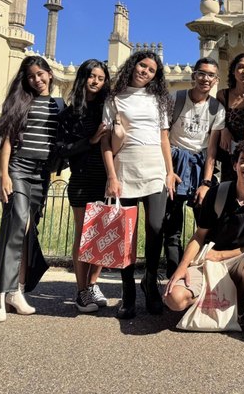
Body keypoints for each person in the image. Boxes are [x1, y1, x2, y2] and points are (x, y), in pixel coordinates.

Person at [164, 140, 244, 318]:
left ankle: (233, 295)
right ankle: (217, 298)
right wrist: (182, 266)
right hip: (208, 261)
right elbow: (199, 235)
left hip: (239, 264)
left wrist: (221, 255)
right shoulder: (217, 193)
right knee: (175, 300)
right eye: (243, 160)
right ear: (234, 165)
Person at [0, 56, 63, 322]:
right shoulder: (20, 102)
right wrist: (4, 175)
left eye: (41, 74)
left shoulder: (59, 105)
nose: (37, 80)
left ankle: (15, 292)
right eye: (31, 76)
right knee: (15, 224)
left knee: (27, 232)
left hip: (41, 174)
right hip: (18, 168)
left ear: (50, 75)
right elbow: (7, 140)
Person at [102, 50, 176, 319]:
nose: (145, 71)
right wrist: (111, 176)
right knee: (127, 235)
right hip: (126, 170)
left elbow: (164, 138)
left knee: (156, 228)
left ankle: (150, 283)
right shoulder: (114, 99)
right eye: (142, 66)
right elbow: (108, 142)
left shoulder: (158, 100)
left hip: (155, 168)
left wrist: (170, 172)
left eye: (151, 70)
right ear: (133, 65)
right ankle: (128, 293)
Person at [161, 57, 226, 279]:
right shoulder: (175, 99)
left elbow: (212, 150)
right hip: (175, 160)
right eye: (202, 73)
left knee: (206, 227)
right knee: (172, 227)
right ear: (193, 75)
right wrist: (169, 171)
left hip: (200, 165)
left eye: (210, 75)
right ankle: (172, 276)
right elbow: (164, 135)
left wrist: (206, 183)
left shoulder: (217, 108)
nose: (205, 79)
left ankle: (200, 275)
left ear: (216, 80)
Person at [57, 59, 111, 312]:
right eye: (91, 76)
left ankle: (92, 284)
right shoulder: (70, 113)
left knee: (100, 236)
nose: (95, 82)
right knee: (83, 236)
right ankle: (80, 291)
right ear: (83, 78)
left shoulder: (106, 110)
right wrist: (91, 140)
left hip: (105, 178)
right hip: (81, 178)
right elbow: (63, 149)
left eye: (100, 78)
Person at [217, 52, 244, 181]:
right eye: (241, 67)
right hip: (229, 153)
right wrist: (224, 129)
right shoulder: (223, 95)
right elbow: (216, 119)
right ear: (233, 71)